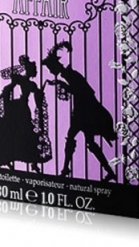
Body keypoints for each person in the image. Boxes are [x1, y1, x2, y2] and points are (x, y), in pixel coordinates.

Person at [42, 41, 117, 182]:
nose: (50, 71)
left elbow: (83, 91)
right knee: (86, 142)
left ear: (56, 65)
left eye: (50, 68)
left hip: (84, 114)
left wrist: (63, 85)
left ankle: (66, 169)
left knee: (75, 139)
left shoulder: (71, 74)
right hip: (81, 113)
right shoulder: (67, 74)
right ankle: (108, 171)